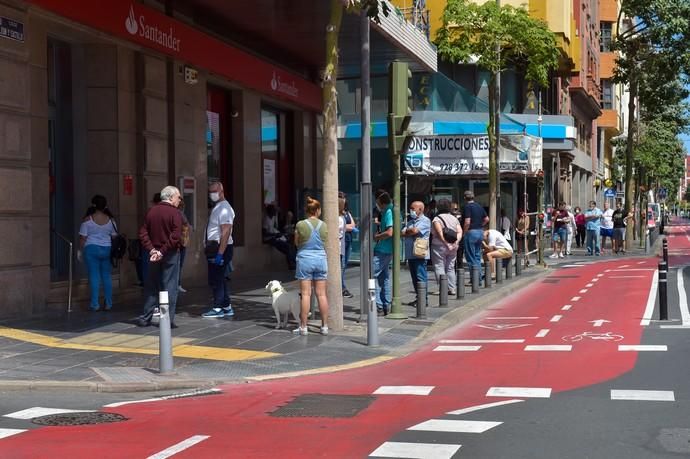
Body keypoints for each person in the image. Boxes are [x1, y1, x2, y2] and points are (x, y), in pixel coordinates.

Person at [137, 186, 182, 327]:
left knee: (151, 286)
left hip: (153, 255)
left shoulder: (151, 211)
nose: (179, 200)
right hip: (170, 254)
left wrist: (152, 250)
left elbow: (143, 233)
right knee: (170, 286)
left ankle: (146, 317)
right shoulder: (175, 213)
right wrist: (162, 251)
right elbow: (176, 236)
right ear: (170, 197)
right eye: (178, 197)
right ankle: (167, 318)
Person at [293, 196, 330, 336]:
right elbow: (324, 242)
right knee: (321, 294)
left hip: (305, 260)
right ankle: (325, 326)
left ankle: (303, 326)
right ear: (318, 210)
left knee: (306, 294)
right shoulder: (324, 225)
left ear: (306, 210)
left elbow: (296, 242)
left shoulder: (300, 225)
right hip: (321, 259)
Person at [202, 181, 236, 319]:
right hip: (215, 248)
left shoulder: (225, 209)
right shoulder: (218, 207)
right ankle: (226, 306)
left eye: (214, 191)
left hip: (220, 248)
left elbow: (225, 231)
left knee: (216, 279)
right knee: (220, 278)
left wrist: (220, 254)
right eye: (210, 192)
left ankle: (217, 307)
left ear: (221, 191)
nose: (212, 194)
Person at [78, 195, 118, 311]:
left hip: (91, 249)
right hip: (107, 249)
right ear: (105, 205)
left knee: (94, 276)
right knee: (106, 276)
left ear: (93, 205)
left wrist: (80, 250)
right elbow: (114, 236)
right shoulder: (111, 220)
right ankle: (109, 303)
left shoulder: (87, 220)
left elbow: (83, 238)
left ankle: (95, 304)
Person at [431, 199, 462, 296]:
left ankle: (443, 289)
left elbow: (439, 232)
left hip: (439, 246)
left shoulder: (437, 219)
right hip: (453, 246)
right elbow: (460, 231)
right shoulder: (454, 218)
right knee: (450, 267)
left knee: (439, 266)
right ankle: (452, 288)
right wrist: (455, 243)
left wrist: (445, 243)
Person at [402, 201, 431, 307]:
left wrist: (408, 231)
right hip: (410, 253)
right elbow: (402, 232)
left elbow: (414, 231)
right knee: (414, 278)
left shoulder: (425, 220)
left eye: (413, 209)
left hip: (419, 253)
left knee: (421, 276)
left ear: (420, 210)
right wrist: (409, 231)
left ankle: (424, 300)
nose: (411, 211)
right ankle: (418, 298)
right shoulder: (410, 221)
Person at [373, 191, 394, 315]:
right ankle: (385, 304)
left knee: (372, 275)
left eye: (377, 202)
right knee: (384, 277)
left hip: (383, 249)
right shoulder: (392, 210)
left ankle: (379, 305)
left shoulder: (388, 212)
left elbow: (389, 232)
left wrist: (377, 237)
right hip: (388, 249)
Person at [462, 190, 489, 274]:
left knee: (470, 256)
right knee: (477, 256)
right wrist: (480, 225)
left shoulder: (467, 207)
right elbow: (487, 219)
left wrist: (464, 232)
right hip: (480, 232)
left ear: (465, 198)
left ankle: (475, 278)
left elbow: (467, 222)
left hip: (471, 232)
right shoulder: (479, 206)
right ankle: (479, 277)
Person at [263, 204, 296, 270]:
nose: (276, 212)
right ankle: (292, 265)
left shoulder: (272, 218)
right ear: (271, 211)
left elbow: (273, 229)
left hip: (274, 237)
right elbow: (264, 233)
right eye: (274, 211)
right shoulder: (266, 219)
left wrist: (278, 233)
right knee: (287, 247)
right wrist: (275, 235)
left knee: (289, 247)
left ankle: (293, 263)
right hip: (269, 239)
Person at [338, 195, 355, 298]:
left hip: (348, 240)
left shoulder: (347, 212)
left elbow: (352, 225)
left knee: (344, 265)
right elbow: (345, 227)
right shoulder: (338, 216)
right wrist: (346, 227)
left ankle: (342, 287)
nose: (343, 200)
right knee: (341, 265)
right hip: (342, 241)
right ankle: (342, 287)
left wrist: (346, 227)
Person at [178, 199, 191, 293]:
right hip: (180, 243)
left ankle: (177, 284)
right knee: (178, 265)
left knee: (179, 265)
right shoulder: (179, 214)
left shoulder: (180, 213)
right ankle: (177, 284)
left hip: (182, 243)